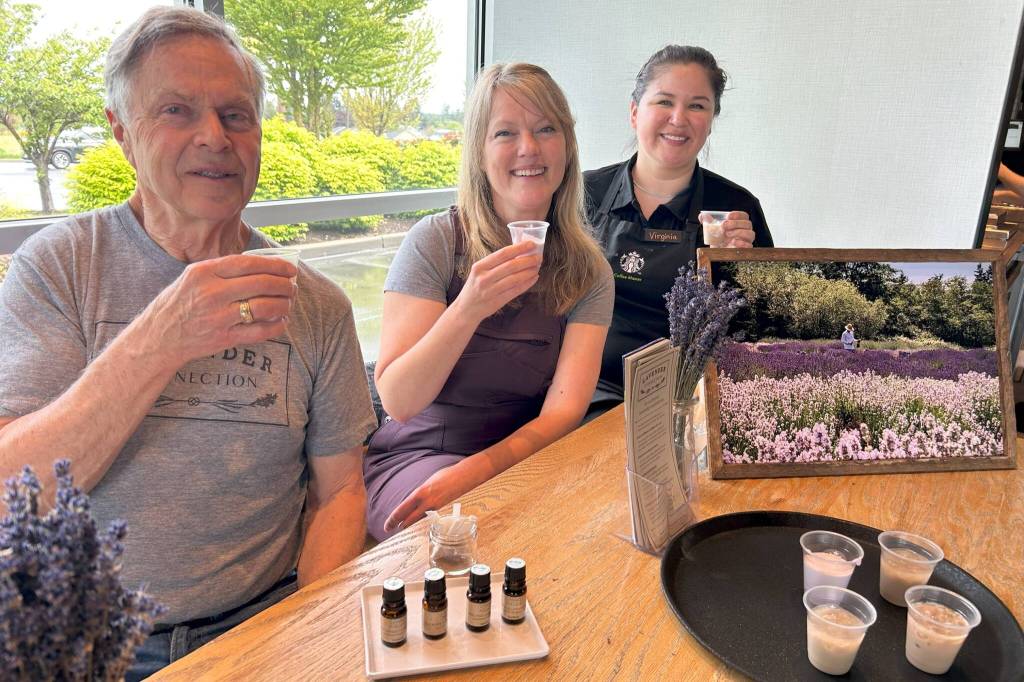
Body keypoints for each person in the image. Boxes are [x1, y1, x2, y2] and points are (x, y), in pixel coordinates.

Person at [0, 7, 376, 678]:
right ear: (122, 132)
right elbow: (14, 495)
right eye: (176, 110)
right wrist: (162, 337)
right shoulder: (60, 267)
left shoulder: (317, 303)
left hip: (260, 626)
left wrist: (312, 631)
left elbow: (341, 491)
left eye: (236, 116)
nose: (214, 137)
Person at [364, 63, 614, 541]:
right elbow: (400, 400)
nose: (529, 148)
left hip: (521, 455)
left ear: (567, 147)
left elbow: (561, 413)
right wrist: (468, 308)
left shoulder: (589, 271)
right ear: (479, 152)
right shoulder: (437, 242)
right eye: (505, 133)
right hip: (418, 455)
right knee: (464, 538)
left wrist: (481, 469)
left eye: (546, 129)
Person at [585, 45, 775, 416]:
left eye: (697, 106)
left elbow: (761, 332)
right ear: (635, 112)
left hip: (691, 403)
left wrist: (741, 266)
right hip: (586, 393)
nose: (678, 118)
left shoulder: (737, 208)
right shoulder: (583, 194)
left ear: (711, 120)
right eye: (664, 101)